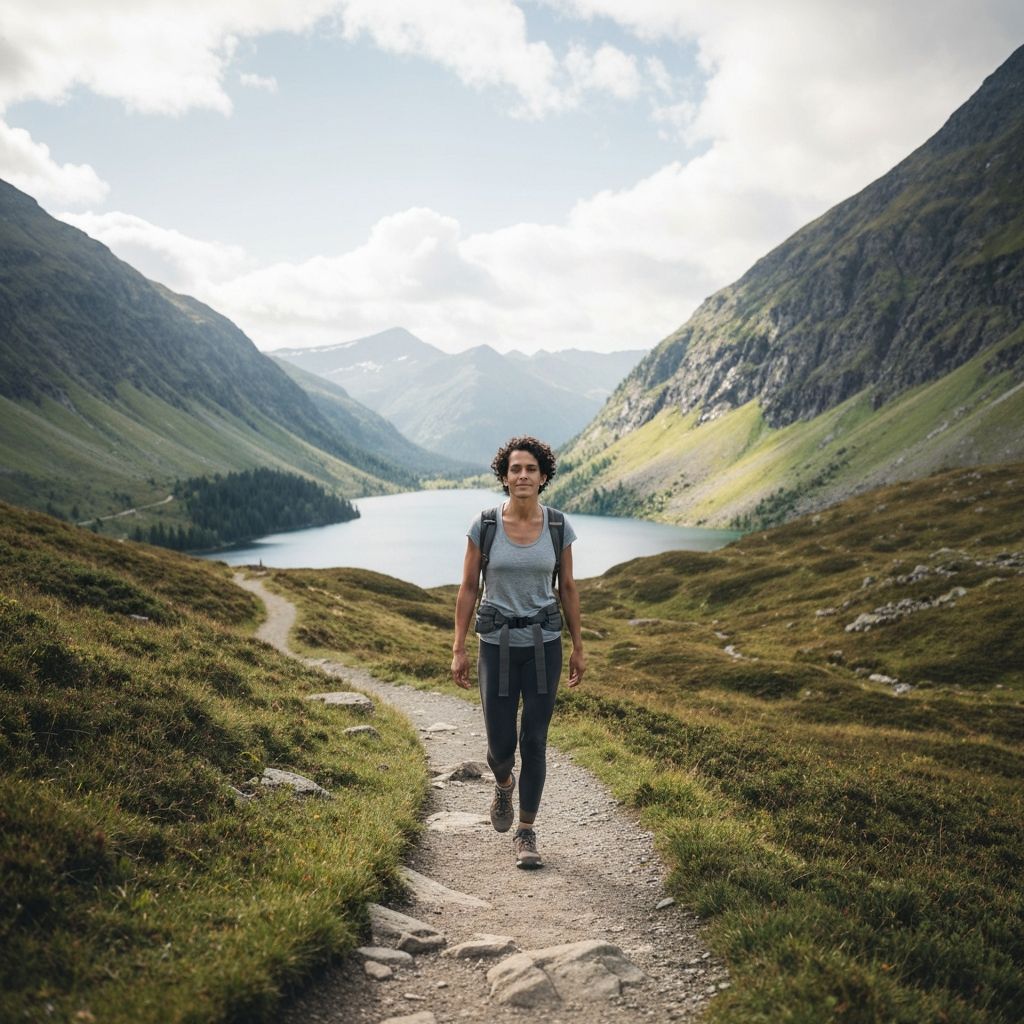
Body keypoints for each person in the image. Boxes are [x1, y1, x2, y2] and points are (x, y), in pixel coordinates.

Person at [451, 436, 585, 868]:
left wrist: (579, 645)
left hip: (545, 646)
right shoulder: (484, 525)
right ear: (504, 477)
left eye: (531, 469)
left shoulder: (559, 526)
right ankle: (503, 783)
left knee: (536, 740)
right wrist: (458, 648)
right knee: (501, 744)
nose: (523, 475)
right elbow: (469, 587)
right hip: (495, 646)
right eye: (515, 469)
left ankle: (526, 832)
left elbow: (567, 588)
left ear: (544, 477)